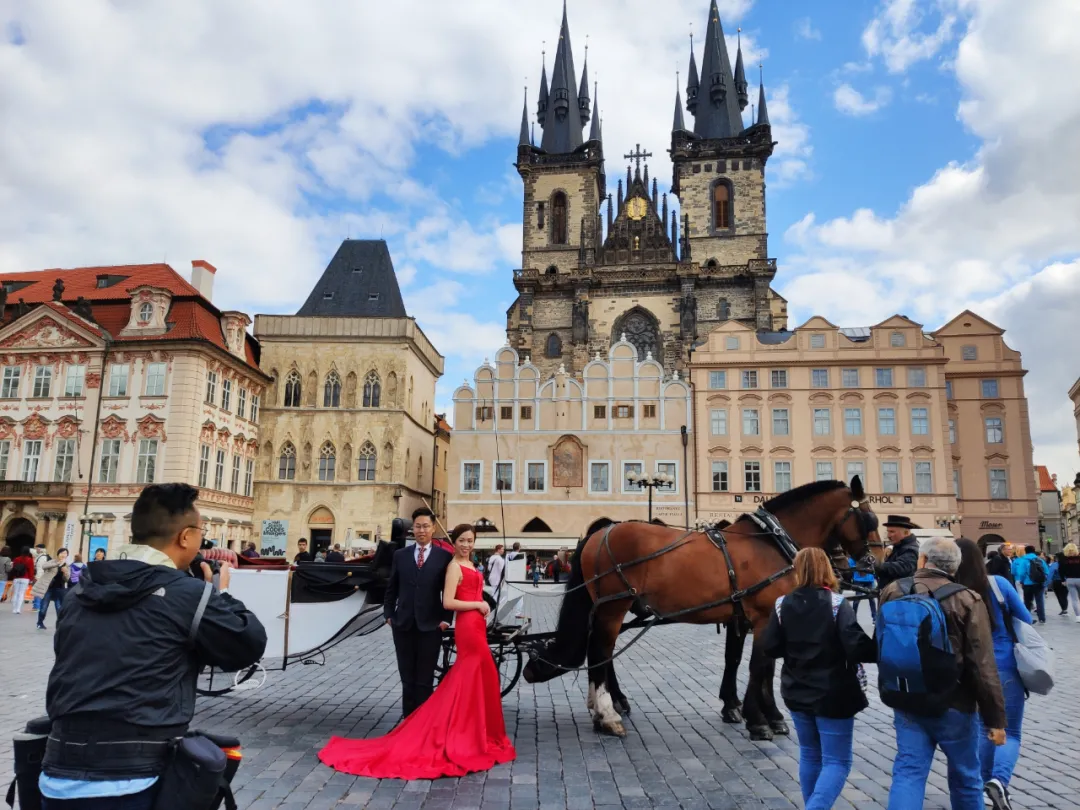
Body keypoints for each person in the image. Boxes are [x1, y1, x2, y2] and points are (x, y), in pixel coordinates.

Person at [39, 483, 266, 809]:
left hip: (58, 773)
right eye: (201, 531)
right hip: (137, 777)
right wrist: (219, 594)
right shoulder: (187, 594)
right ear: (186, 537)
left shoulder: (80, 593)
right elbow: (248, 644)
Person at [320, 523, 515, 778]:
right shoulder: (454, 565)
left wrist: (482, 604)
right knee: (468, 675)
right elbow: (448, 601)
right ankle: (457, 730)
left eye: (470, 540)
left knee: (480, 677)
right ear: (454, 542)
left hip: (477, 624)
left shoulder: (469, 563)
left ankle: (474, 729)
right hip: (468, 626)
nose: (466, 545)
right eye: (462, 541)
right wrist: (478, 604)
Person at [879, 537, 1005, 810]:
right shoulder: (966, 598)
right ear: (954, 567)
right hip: (955, 701)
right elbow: (982, 664)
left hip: (907, 697)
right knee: (966, 776)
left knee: (908, 773)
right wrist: (995, 718)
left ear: (922, 560)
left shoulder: (892, 591)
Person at [762, 548, 876, 809]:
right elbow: (856, 647)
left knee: (810, 756)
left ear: (797, 570)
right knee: (837, 762)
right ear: (826, 568)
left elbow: (771, 647)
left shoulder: (782, 604)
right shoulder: (836, 604)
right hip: (834, 693)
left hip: (796, 689)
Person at [954, 538, 1030, 810]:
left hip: (971, 668)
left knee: (983, 727)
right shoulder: (999, 584)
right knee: (1009, 731)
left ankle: (984, 784)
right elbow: (1026, 619)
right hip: (1005, 664)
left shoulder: (953, 590)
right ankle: (998, 781)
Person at [381, 507, 453, 720]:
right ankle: (407, 721)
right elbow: (391, 587)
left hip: (431, 626)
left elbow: (447, 591)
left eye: (426, 526)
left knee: (425, 677)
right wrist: (388, 614)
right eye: (418, 526)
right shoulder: (400, 555)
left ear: (433, 528)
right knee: (407, 677)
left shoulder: (444, 557)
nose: (421, 530)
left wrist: (446, 620)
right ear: (413, 528)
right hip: (402, 625)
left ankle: (424, 723)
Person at [874, 515, 920, 591]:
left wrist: (877, 565)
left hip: (900, 596)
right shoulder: (899, 546)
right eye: (888, 532)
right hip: (893, 593)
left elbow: (902, 567)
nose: (888, 535)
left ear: (906, 532)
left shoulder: (910, 549)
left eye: (892, 532)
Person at [33, 548, 70, 630]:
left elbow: (67, 579)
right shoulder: (53, 561)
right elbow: (44, 566)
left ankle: (60, 625)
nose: (63, 555)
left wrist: (65, 573)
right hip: (49, 588)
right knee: (43, 607)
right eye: (62, 553)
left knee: (59, 608)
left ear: (67, 555)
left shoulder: (66, 565)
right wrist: (57, 564)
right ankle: (40, 622)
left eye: (65, 553)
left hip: (60, 589)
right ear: (58, 554)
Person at [1012, 545, 1048, 623]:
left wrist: (1022, 581)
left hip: (1027, 583)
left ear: (1025, 551)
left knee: (1027, 601)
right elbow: (1046, 571)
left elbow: (1021, 573)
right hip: (1038, 583)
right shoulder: (1039, 559)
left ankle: (1027, 617)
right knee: (1039, 600)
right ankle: (1042, 618)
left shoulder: (1024, 560)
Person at [847, 556, 877, 623]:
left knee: (871, 599)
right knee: (857, 599)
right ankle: (853, 617)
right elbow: (851, 565)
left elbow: (874, 565)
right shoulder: (854, 557)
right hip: (858, 580)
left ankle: (874, 617)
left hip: (869, 580)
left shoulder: (869, 556)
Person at [9, 546, 34, 614]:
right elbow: (31, 570)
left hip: (16, 578)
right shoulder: (29, 560)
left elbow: (14, 568)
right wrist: (31, 579)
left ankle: (14, 608)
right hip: (25, 578)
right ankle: (18, 609)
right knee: (21, 594)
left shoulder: (16, 559)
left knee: (15, 593)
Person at [1060, 543, 1080, 622]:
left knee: (1074, 599)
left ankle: (1078, 616)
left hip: (1070, 580)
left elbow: (1060, 571)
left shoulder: (1064, 560)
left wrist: (1063, 580)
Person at [32, 544, 50, 611]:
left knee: (37, 591)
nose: (36, 550)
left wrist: (37, 577)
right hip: (42, 576)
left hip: (40, 577)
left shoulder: (42, 557)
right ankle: (38, 605)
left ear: (40, 549)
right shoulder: (41, 556)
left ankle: (36, 606)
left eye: (37, 549)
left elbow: (40, 568)